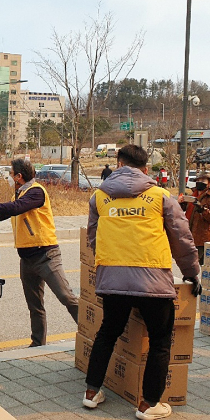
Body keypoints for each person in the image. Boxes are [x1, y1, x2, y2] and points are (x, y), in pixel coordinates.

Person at [83, 145, 201, 420]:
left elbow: (93, 239)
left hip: (112, 281)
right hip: (153, 283)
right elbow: (181, 238)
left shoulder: (99, 197)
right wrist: (191, 271)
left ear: (118, 164)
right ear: (146, 169)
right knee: (160, 341)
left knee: (107, 333)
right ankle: (148, 405)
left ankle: (91, 393)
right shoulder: (161, 196)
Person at [0, 159, 78, 347]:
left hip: (46, 255)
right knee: (35, 306)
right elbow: (5, 211)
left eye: (11, 173)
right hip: (26, 259)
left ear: (19, 176)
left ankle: (93, 332)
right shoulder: (17, 195)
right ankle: (37, 343)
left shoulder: (36, 192)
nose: (9, 177)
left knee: (66, 297)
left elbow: (16, 209)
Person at [178, 173, 210, 265]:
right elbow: (185, 210)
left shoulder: (208, 197)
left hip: (203, 236)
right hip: (190, 233)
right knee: (194, 261)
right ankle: (191, 275)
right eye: (198, 181)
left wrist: (202, 209)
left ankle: (192, 275)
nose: (200, 183)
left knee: (200, 262)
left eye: (203, 181)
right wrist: (181, 203)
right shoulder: (194, 194)